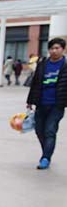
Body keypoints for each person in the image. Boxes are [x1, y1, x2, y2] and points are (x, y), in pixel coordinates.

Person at [25, 37, 67, 170]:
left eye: (57, 48)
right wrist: (30, 101)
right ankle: (47, 152)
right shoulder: (43, 63)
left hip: (57, 105)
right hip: (41, 103)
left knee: (50, 131)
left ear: (63, 49)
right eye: (51, 48)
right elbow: (35, 83)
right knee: (39, 131)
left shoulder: (65, 64)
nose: (54, 51)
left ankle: (46, 158)